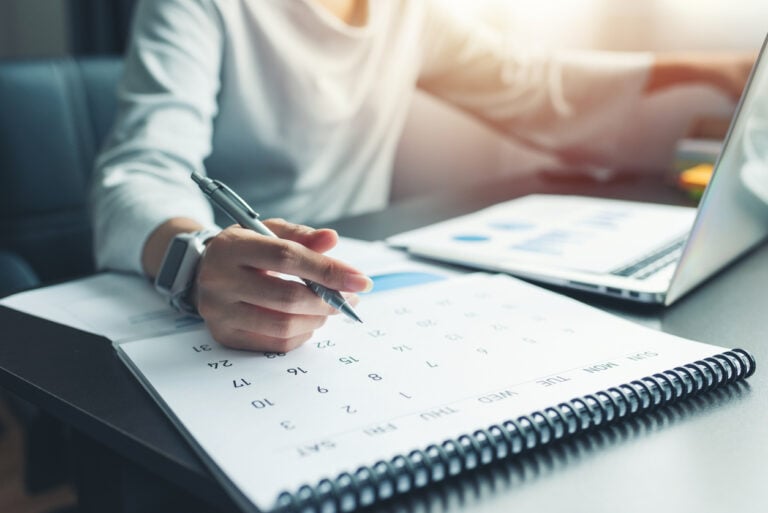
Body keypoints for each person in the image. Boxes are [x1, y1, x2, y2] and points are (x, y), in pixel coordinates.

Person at [91, 0, 755, 353]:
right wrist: (199, 255)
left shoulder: (407, 9)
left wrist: (710, 70)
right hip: (223, 300)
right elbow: (141, 169)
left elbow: (535, 85)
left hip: (358, 278)